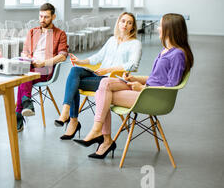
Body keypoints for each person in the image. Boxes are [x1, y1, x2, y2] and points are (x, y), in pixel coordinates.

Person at [74, 13, 194, 159]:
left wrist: (143, 88)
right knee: (104, 84)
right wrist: (134, 78)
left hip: (153, 97)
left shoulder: (178, 55)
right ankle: (101, 135)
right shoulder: (166, 51)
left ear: (170, 29)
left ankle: (103, 137)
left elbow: (170, 86)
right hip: (146, 91)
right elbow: (156, 78)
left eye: (160, 25)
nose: (157, 28)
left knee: (102, 94)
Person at [55, 12, 142, 140]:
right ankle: (66, 111)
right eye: (123, 21)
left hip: (111, 80)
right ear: (118, 23)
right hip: (99, 75)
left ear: (133, 27)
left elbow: (133, 65)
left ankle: (72, 120)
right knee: (75, 72)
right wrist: (80, 61)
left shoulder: (135, 44)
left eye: (129, 23)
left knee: (73, 83)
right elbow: (98, 57)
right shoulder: (112, 40)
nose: (125, 25)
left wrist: (108, 69)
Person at [16, 3, 68, 132]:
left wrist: (44, 63)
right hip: (31, 65)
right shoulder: (33, 32)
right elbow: (25, 51)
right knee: (24, 72)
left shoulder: (60, 34)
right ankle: (27, 103)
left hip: (45, 68)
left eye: (46, 17)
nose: (42, 20)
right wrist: (27, 57)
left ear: (53, 17)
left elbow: (62, 56)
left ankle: (19, 112)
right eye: (40, 16)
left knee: (24, 76)